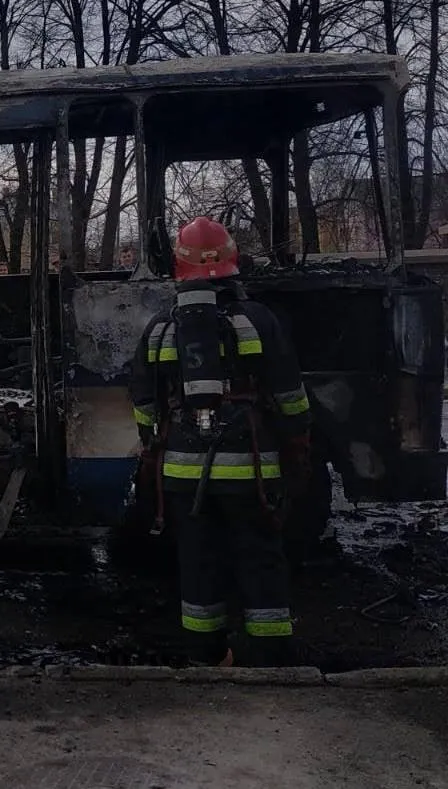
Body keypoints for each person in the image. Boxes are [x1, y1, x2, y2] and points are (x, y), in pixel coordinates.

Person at [129, 216, 312, 667]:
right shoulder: (259, 321)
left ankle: (207, 659)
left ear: (178, 268)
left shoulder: (159, 329)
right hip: (250, 470)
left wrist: (156, 452)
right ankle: (272, 660)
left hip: (181, 479)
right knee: (260, 560)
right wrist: (296, 451)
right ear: (233, 262)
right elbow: (291, 398)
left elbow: (144, 407)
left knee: (197, 565)